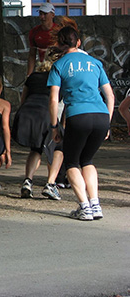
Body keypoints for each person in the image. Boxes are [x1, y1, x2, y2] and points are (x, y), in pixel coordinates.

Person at [48, 26, 114, 220]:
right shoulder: (95, 63)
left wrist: (54, 126)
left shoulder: (59, 65)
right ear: (78, 42)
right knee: (87, 160)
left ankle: (84, 207)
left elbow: (53, 100)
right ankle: (96, 204)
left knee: (72, 162)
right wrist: (108, 122)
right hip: (101, 115)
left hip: (78, 115)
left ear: (60, 44)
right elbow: (110, 95)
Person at [13, 54, 65, 200]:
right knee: (58, 147)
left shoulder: (32, 77)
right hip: (45, 112)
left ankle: (27, 181)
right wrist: (57, 124)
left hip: (27, 112)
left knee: (35, 148)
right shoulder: (58, 79)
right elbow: (57, 101)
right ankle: (51, 184)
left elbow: (23, 99)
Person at [27, 2, 60, 76]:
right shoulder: (34, 32)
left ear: (52, 15)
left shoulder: (59, 31)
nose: (42, 17)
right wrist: (29, 75)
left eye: (45, 14)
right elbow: (32, 54)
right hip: (42, 68)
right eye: (40, 14)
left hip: (58, 68)